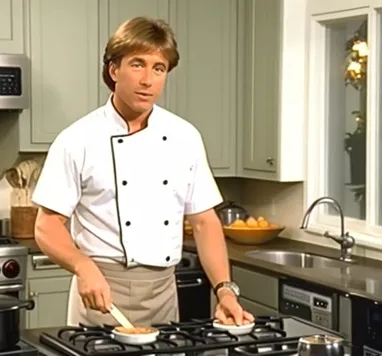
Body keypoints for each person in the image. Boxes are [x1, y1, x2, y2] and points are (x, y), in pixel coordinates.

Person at [32, 16, 254, 327]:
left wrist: (225, 291)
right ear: (114, 70)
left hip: (164, 295)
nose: (148, 80)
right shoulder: (77, 139)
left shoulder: (184, 136)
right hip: (101, 293)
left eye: (158, 68)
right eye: (137, 64)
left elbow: (204, 222)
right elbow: (46, 226)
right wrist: (83, 267)